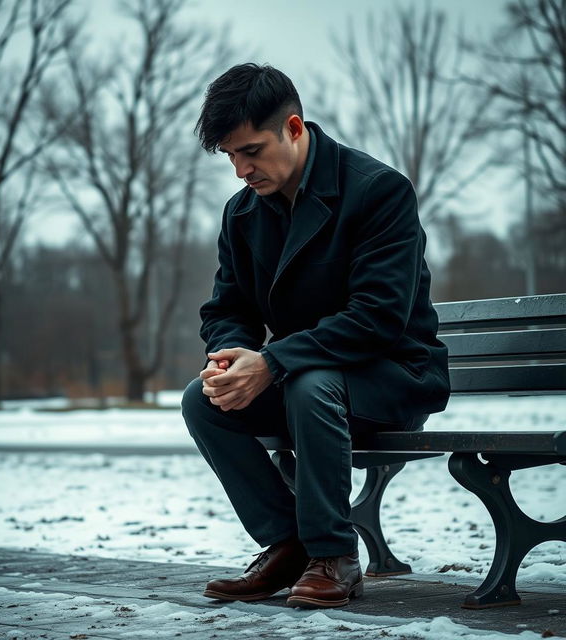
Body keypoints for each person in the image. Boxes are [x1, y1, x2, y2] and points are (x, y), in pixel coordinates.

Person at [181, 63, 450, 609]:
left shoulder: (379, 191)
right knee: (203, 401)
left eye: (251, 151)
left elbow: (378, 317)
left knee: (311, 384)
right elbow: (226, 307)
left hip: (394, 377)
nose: (240, 170)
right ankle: (288, 545)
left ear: (295, 128)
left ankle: (334, 556)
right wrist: (231, 357)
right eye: (230, 156)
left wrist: (274, 361)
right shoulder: (242, 214)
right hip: (308, 374)